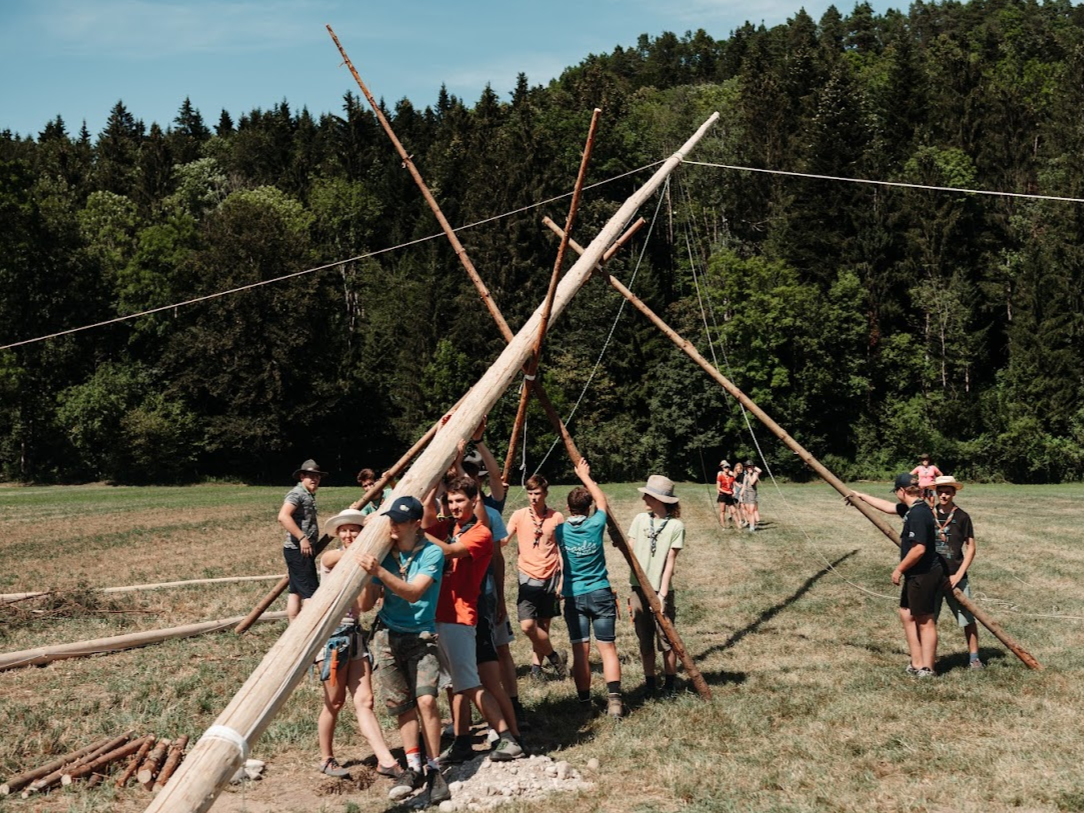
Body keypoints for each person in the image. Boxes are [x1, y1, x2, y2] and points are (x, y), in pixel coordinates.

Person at [423, 475, 523, 764]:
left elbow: (452, 550)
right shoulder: (447, 527)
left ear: (473, 501)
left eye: (460, 501)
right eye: (450, 501)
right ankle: (463, 742)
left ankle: (506, 736)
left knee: (469, 683)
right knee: (454, 686)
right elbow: (428, 520)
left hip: (460, 616)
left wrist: (418, 535)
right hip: (440, 615)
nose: (454, 506)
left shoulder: (479, 533)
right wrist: (432, 489)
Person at [357, 496, 450, 804]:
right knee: (401, 705)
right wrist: (366, 580)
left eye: (398, 520)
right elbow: (367, 604)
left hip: (422, 637)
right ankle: (413, 766)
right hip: (387, 636)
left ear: (415, 523)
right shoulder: (385, 553)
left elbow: (413, 593)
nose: (392, 524)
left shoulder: (432, 553)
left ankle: (435, 769)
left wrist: (380, 573)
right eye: (390, 519)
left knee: (426, 700)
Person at [315, 509, 399, 780]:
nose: (349, 535)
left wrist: (370, 577)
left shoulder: (366, 565)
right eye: (344, 530)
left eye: (355, 530)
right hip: (332, 637)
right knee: (335, 701)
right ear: (337, 534)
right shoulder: (331, 558)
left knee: (366, 700)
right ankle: (326, 758)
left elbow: (363, 606)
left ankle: (385, 759)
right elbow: (335, 557)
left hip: (354, 635)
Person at [849, 474, 944, 677]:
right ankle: (917, 662)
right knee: (906, 613)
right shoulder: (914, 509)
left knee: (925, 619)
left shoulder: (919, 513)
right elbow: (888, 507)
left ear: (901, 491)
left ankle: (928, 667)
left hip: (924, 572)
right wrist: (861, 496)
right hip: (915, 572)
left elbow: (919, 549)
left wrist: (899, 568)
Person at [555, 458, 624, 718]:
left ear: (567, 508)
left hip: (574, 597)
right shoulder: (596, 524)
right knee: (607, 647)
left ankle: (584, 703)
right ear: (589, 508)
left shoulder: (560, 532)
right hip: (600, 592)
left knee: (579, 651)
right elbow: (602, 501)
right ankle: (615, 701)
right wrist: (586, 476)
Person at [627, 474, 684, 696]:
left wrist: (661, 594)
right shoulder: (640, 519)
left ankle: (670, 683)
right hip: (638, 589)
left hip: (661, 590)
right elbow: (629, 549)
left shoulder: (676, 526)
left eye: (648, 496)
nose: (644, 499)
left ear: (660, 499)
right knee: (644, 637)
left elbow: (669, 562)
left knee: (667, 638)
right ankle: (649, 682)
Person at [507, 475, 567, 679]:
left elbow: (561, 549)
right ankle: (555, 657)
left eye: (537, 493)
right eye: (530, 493)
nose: (533, 497)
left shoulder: (556, 517)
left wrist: (563, 580)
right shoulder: (518, 515)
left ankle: (536, 668)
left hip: (551, 576)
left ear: (545, 493)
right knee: (527, 625)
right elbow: (503, 540)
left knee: (543, 625)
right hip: (527, 577)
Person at [932, 475, 983, 669]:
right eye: (941, 491)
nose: (944, 495)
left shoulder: (962, 517)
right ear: (936, 493)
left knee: (967, 618)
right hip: (933, 576)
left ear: (954, 493)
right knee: (929, 619)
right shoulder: (929, 514)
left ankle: (974, 657)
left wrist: (958, 575)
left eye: (947, 491)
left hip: (956, 575)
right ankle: (928, 658)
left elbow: (971, 548)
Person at [278, 459, 325, 623]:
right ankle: (309, 628)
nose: (314, 479)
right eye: (310, 476)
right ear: (302, 477)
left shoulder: (307, 494)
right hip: (299, 551)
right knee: (311, 593)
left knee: (296, 590)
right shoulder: (297, 494)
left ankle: (293, 627)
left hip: (298, 551)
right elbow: (283, 516)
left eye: (317, 476)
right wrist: (302, 538)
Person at [715, 460, 738, 529]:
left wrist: (734, 491)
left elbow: (733, 485)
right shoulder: (720, 475)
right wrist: (724, 492)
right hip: (723, 495)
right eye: (725, 467)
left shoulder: (731, 476)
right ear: (723, 468)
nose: (726, 468)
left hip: (729, 495)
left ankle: (738, 525)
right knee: (722, 510)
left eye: (728, 467)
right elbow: (718, 487)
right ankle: (723, 525)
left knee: (733, 510)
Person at [740, 460, 762, 532]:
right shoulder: (745, 476)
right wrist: (741, 494)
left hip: (752, 494)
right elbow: (743, 486)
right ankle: (751, 524)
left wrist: (752, 468)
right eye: (747, 467)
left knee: (751, 510)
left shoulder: (755, 474)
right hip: (746, 494)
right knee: (748, 511)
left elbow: (752, 482)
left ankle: (752, 527)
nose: (749, 468)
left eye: (750, 466)